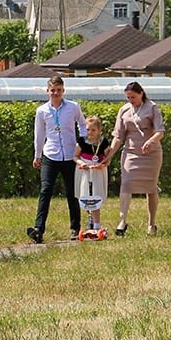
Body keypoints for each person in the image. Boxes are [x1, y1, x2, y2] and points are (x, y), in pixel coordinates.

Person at [27, 75, 87, 244]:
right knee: (45, 190)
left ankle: (75, 228)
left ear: (63, 91)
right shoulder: (42, 111)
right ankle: (39, 229)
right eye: (52, 90)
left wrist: (81, 143)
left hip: (69, 155)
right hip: (50, 154)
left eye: (59, 90)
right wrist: (37, 155)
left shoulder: (73, 107)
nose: (55, 93)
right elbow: (39, 135)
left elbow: (83, 124)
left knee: (71, 192)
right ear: (48, 91)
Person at [108, 81, 165, 236]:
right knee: (126, 184)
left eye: (133, 97)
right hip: (130, 153)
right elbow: (118, 136)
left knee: (151, 188)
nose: (130, 100)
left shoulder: (152, 107)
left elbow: (160, 131)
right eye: (128, 97)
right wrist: (109, 155)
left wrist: (151, 140)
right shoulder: (124, 110)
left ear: (141, 94)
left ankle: (151, 224)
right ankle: (122, 221)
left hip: (151, 154)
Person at [74, 116, 113, 233]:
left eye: (93, 130)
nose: (90, 132)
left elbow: (108, 158)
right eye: (87, 130)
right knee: (86, 195)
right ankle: (89, 220)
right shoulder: (81, 141)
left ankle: (96, 225)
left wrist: (103, 165)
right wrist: (82, 163)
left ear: (99, 130)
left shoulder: (103, 142)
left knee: (96, 196)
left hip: (98, 171)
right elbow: (75, 156)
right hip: (84, 171)